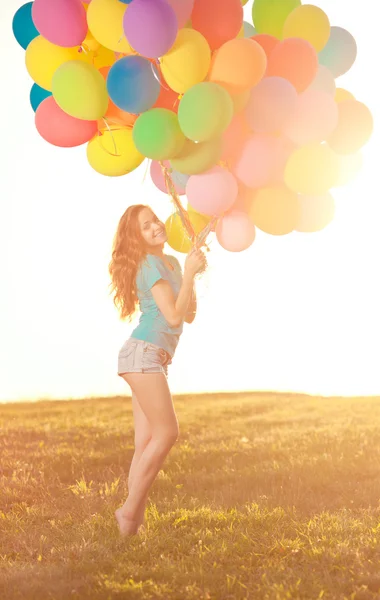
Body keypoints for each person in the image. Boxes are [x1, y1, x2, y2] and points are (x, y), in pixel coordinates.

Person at [108, 203, 207, 536]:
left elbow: (188, 313)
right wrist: (190, 274)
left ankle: (128, 531)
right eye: (145, 226)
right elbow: (173, 317)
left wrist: (191, 272)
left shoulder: (171, 263)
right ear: (138, 237)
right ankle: (128, 511)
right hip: (144, 354)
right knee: (167, 434)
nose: (155, 227)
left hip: (150, 357)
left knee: (145, 443)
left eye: (155, 221)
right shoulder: (149, 263)